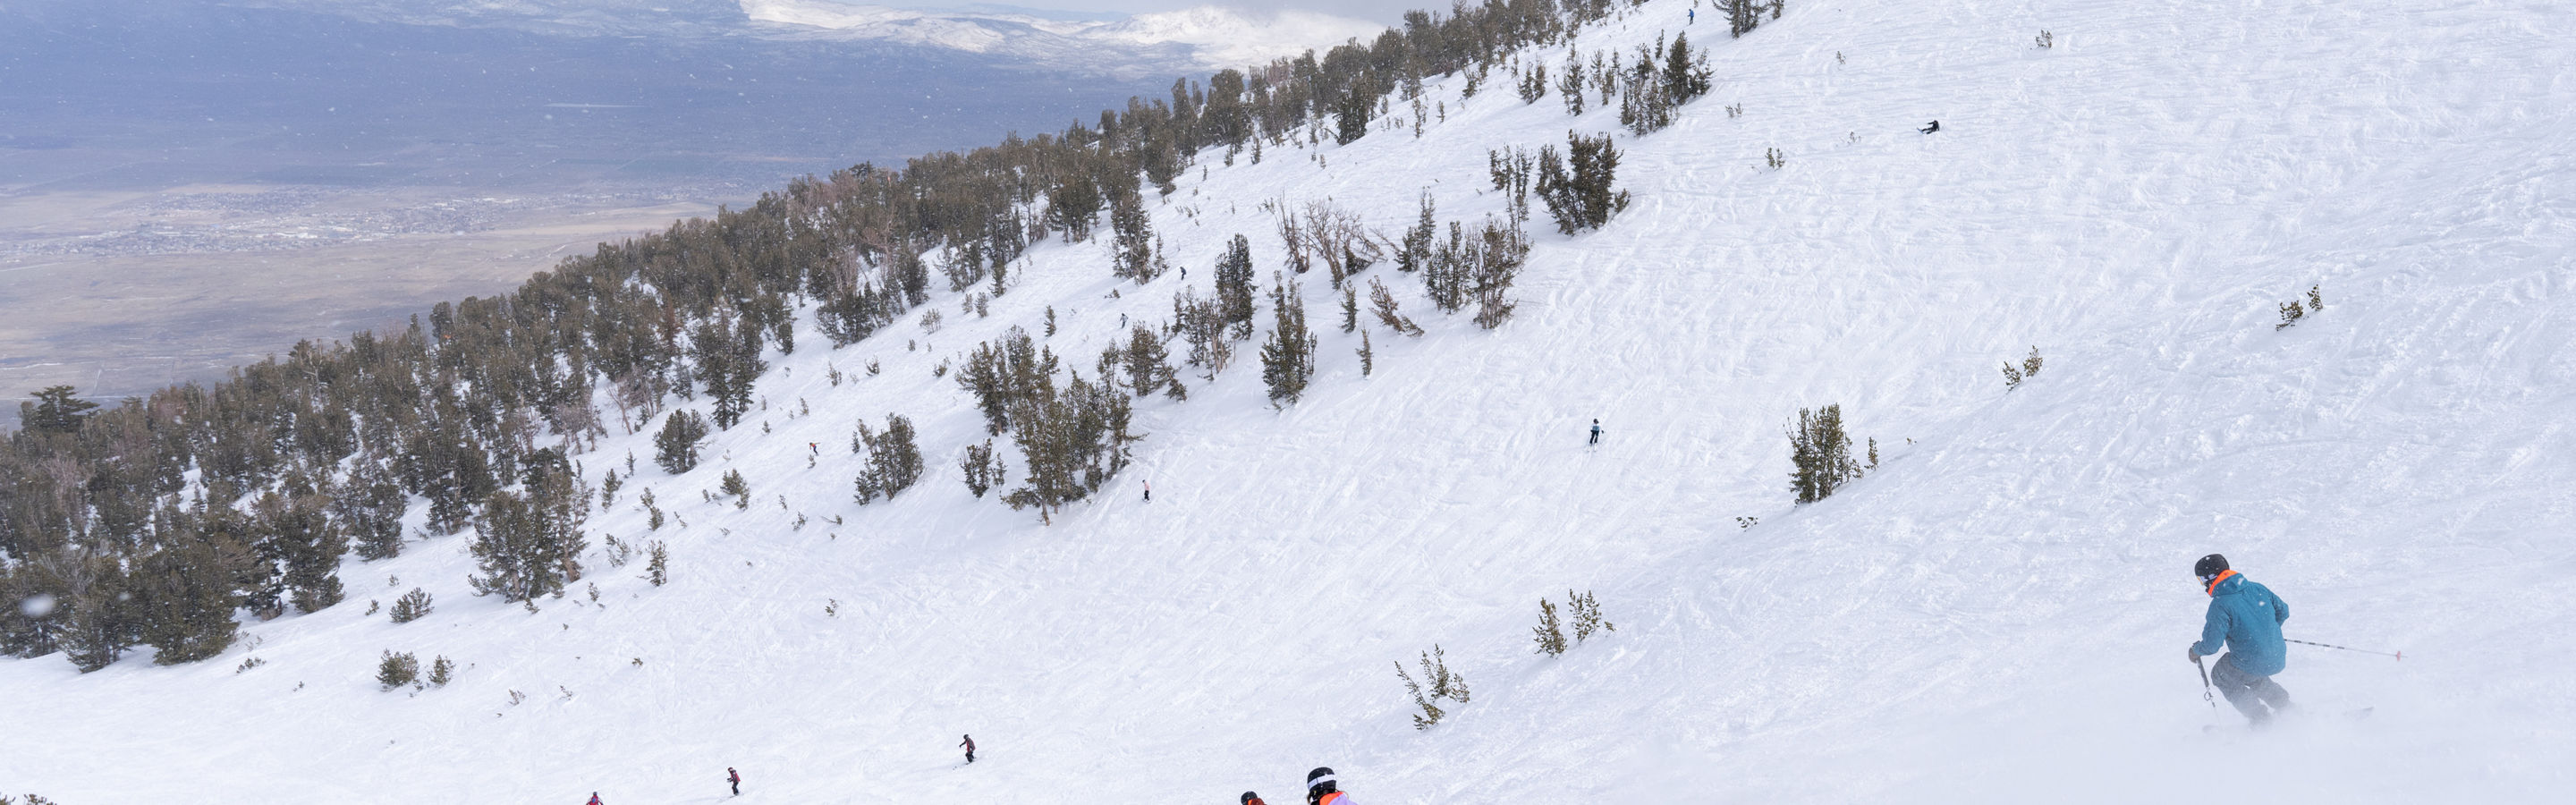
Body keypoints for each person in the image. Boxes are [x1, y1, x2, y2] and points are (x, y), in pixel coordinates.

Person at [2190, 553, 2292, 724]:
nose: (2203, 585)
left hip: (2253, 659)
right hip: (2276, 654)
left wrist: (2195, 651)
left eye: (2202, 580)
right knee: (2250, 674)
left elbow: (2211, 645)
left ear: (2210, 577)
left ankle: (2260, 718)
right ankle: (2286, 707)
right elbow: (2283, 611)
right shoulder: (2257, 588)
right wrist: (2266, 633)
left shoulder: (2220, 605)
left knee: (2221, 675)